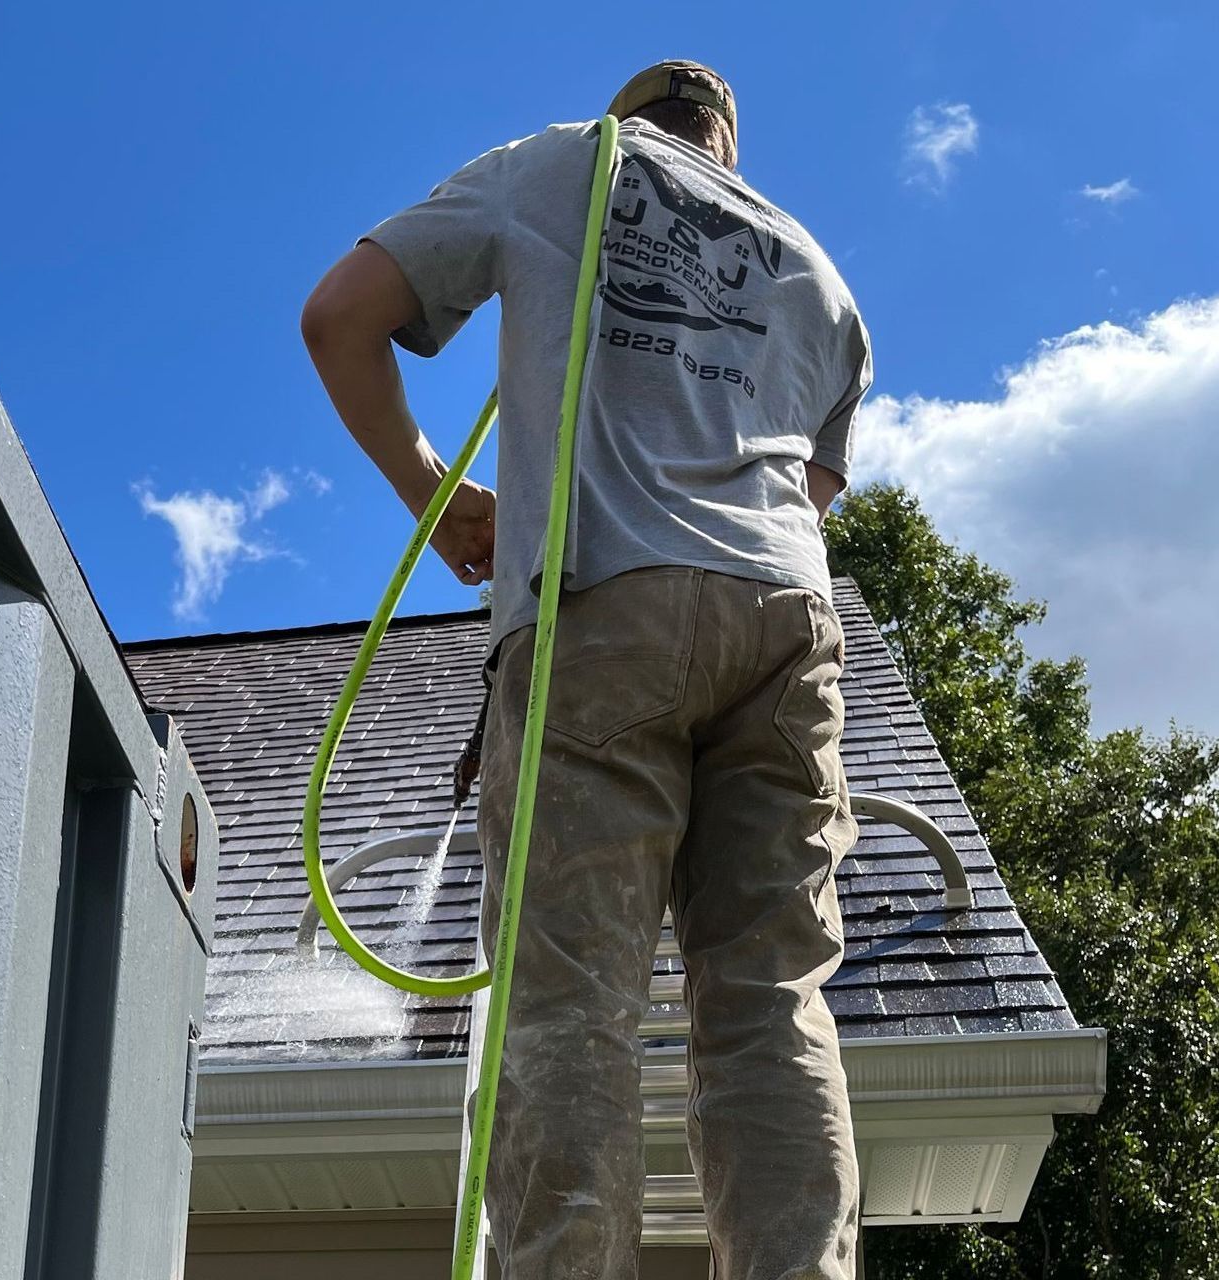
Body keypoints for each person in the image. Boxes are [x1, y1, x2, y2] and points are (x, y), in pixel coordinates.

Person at [300, 61, 872, 1280]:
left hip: (603, 608)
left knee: (570, 1006)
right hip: (786, 630)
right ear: (725, 144)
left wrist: (436, 498)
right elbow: (806, 504)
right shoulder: (823, 279)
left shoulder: (566, 162)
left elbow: (338, 315)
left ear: (631, 124)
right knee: (771, 1001)